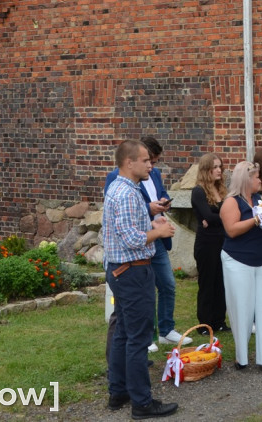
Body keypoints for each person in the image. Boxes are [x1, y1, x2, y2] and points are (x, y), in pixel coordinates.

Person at [104, 140, 178, 418]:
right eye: (146, 160)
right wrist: (158, 233)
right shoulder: (124, 193)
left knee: (124, 332)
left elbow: (132, 227)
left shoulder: (128, 189)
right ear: (129, 163)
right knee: (138, 338)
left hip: (125, 270)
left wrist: (152, 223)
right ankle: (142, 403)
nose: (151, 165)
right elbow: (131, 238)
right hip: (131, 271)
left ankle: (119, 392)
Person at [220, 161, 262, 370]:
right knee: (242, 307)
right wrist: (256, 220)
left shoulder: (259, 198)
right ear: (246, 179)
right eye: (257, 177)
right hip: (238, 259)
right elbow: (232, 229)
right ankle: (242, 357)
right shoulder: (231, 202)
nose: (260, 180)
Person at [190, 153, 229, 334]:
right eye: (215, 167)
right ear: (206, 170)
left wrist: (215, 219)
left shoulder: (221, 190)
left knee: (221, 282)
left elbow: (216, 217)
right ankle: (204, 323)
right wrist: (220, 218)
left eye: (220, 166)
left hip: (223, 240)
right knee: (207, 283)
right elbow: (207, 216)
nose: (219, 170)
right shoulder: (198, 191)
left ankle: (219, 321)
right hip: (207, 243)